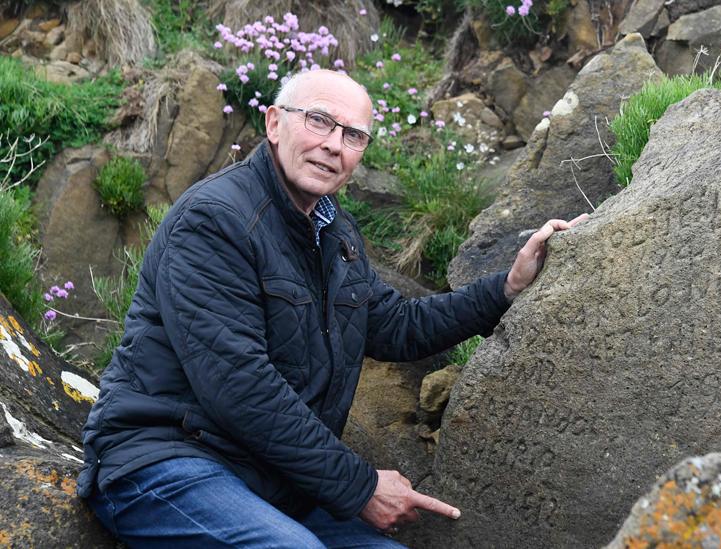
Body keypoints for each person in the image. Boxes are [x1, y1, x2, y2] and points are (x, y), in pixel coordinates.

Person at [76, 69, 586, 547]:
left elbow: (398, 327)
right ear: (275, 123)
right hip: (162, 462)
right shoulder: (215, 221)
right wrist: (360, 486)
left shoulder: (331, 230)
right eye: (319, 121)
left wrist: (508, 288)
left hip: (268, 478)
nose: (333, 146)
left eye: (353, 135)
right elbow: (240, 386)